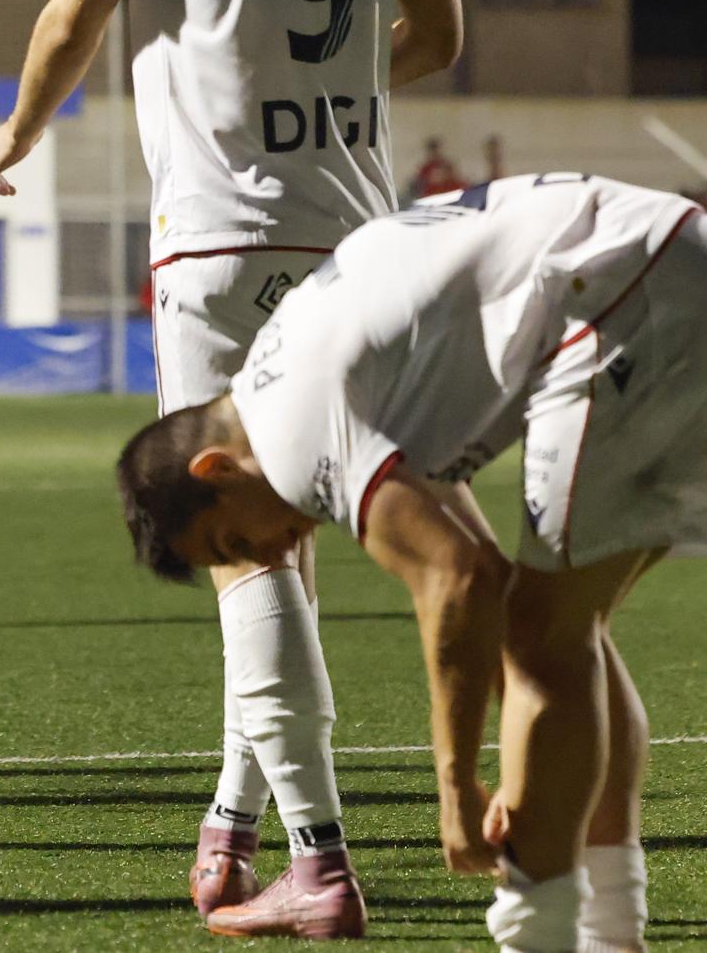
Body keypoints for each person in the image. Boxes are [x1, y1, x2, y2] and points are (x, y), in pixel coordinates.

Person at [0, 0, 464, 936]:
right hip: (358, 245)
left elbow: (74, 13)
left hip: (219, 244)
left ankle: (316, 862)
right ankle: (234, 820)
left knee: (245, 559)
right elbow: (442, 30)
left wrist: (20, 133)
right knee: (288, 556)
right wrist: (342, 93)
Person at [115, 173, 705, 953]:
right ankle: (610, 931)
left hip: (618, 293)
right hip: (662, 256)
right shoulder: (291, 362)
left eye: (235, 543)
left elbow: (457, 579)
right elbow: (478, 577)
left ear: (216, 470)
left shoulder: (289, 436)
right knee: (564, 631)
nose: (270, 554)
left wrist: (457, 787)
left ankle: (542, 935)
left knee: (543, 635)